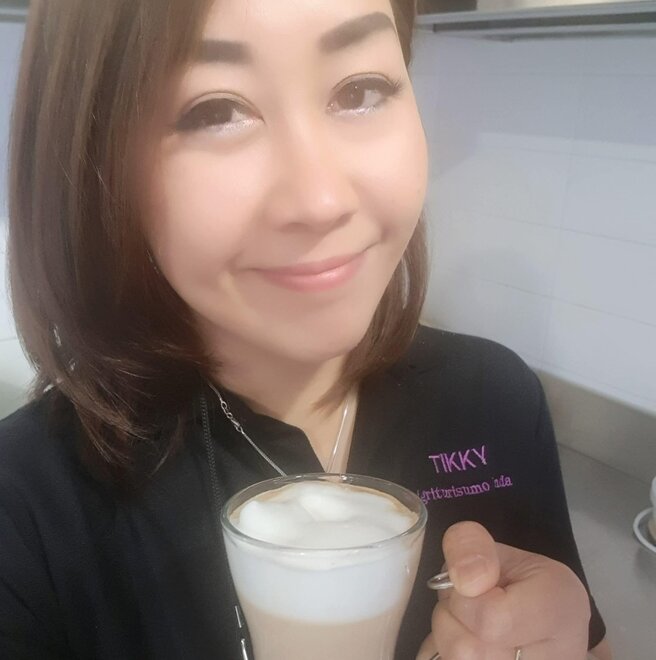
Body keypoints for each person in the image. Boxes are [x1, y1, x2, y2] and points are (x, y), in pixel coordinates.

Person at [0, 0, 612, 658]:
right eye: (214, 110)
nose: (321, 201)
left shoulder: (494, 400)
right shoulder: (28, 506)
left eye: (360, 90)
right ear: (96, 163)